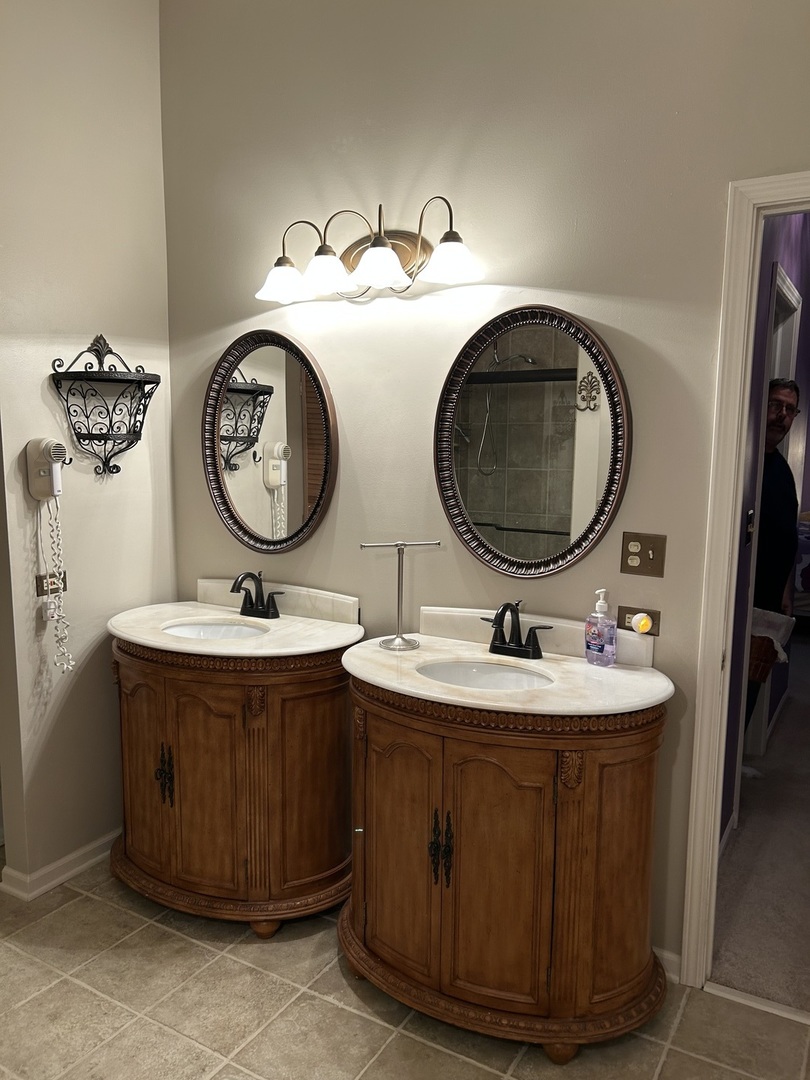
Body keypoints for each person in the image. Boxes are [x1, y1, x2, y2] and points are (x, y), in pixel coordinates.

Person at [745, 377, 801, 728]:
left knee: (752, 684)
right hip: (740, 598)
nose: (782, 415)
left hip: (768, 603)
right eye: (775, 405)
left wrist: (785, 591)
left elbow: (786, 535)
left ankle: (733, 755)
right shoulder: (743, 463)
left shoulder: (782, 470)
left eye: (790, 410)